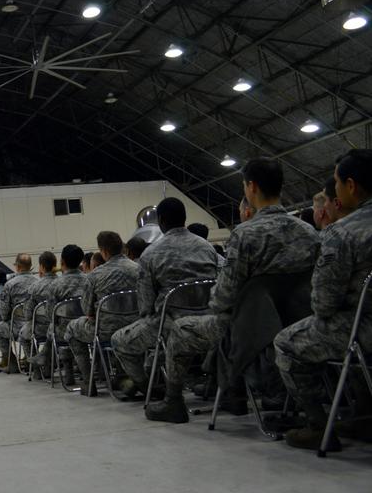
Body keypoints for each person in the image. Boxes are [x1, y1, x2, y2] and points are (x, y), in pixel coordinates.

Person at [146, 158, 319, 423]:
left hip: (253, 328)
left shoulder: (245, 234)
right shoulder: (309, 232)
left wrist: (215, 303)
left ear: (251, 187)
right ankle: (232, 392)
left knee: (182, 329)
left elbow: (226, 295)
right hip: (299, 320)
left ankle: (173, 402)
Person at [275, 150, 372, 450]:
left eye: (336, 182)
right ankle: (364, 416)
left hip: (366, 328)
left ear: (351, 186)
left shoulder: (342, 233)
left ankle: (318, 426)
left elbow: (325, 304)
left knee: (286, 343)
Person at [111, 198, 219, 398]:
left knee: (119, 341)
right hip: (208, 320)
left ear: (160, 220)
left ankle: (147, 388)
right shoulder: (207, 248)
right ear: (184, 218)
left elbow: (146, 305)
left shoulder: (151, 254)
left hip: (169, 323)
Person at [65, 232, 139, 395]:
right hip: (136, 327)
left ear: (103, 251)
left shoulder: (95, 276)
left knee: (71, 329)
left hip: (106, 330)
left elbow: (86, 309)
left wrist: (93, 313)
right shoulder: (139, 269)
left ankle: (88, 382)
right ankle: (122, 376)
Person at [43, 245, 92, 385]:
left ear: (62, 261)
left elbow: (49, 314)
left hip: (63, 331)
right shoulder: (89, 280)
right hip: (88, 327)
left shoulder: (55, 285)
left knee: (54, 329)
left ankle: (67, 370)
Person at [0, 254, 38, 373]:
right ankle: (28, 358)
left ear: (18, 266)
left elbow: (4, 313)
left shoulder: (10, 285)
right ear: (30, 266)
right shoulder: (38, 282)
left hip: (17, 327)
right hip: (37, 326)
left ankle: (11, 362)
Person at [20, 252, 59, 378]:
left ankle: (37, 370)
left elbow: (27, 314)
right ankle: (54, 366)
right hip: (61, 327)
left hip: (41, 328)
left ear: (41, 267)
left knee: (23, 335)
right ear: (55, 265)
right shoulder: (62, 283)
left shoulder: (35, 287)